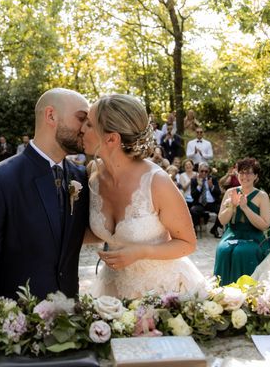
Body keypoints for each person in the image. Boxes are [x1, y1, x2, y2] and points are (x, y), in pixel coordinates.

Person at [0, 88, 90, 302]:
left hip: (70, 318)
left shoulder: (81, 177)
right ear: (51, 115)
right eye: (81, 118)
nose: (86, 128)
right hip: (16, 323)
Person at [82, 94, 204, 299]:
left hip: (164, 292)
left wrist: (141, 252)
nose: (81, 129)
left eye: (89, 125)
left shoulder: (157, 182)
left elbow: (187, 243)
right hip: (113, 290)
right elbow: (102, 231)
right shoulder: (92, 174)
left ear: (112, 138)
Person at [213, 158, 270, 285]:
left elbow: (265, 225)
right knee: (223, 250)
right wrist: (232, 206)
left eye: (249, 173)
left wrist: (246, 208)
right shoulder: (231, 192)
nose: (244, 176)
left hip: (254, 236)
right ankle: (223, 290)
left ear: (256, 176)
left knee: (242, 252)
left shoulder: (261, 196)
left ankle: (246, 290)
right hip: (232, 233)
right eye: (241, 172)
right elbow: (222, 220)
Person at [189, 162, 222, 234]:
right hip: (200, 203)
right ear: (198, 171)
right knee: (193, 210)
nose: (204, 173)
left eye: (206, 171)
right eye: (202, 171)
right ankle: (194, 230)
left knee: (222, 210)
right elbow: (193, 195)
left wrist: (212, 186)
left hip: (212, 203)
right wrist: (199, 186)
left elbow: (218, 193)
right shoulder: (194, 180)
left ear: (208, 172)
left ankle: (214, 228)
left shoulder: (213, 179)